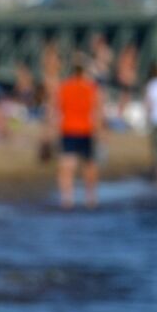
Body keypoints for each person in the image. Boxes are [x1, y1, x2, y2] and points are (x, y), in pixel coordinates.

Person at [53, 59, 102, 208]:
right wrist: (100, 133)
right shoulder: (91, 88)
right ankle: (91, 198)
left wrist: (53, 131)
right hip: (86, 130)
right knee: (89, 165)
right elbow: (97, 111)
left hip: (68, 129)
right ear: (84, 72)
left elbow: (56, 110)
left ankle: (67, 199)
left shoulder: (64, 87)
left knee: (67, 165)